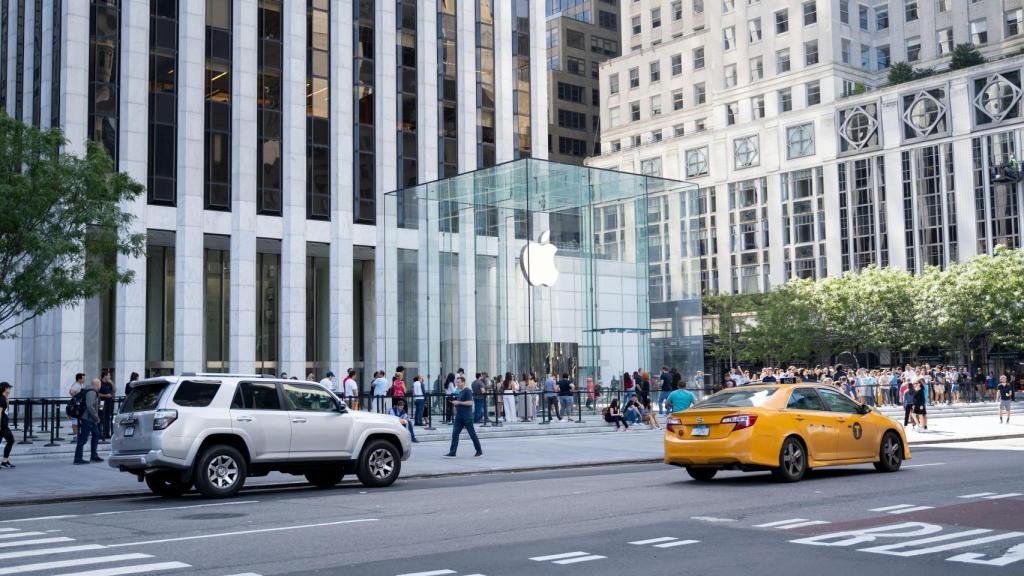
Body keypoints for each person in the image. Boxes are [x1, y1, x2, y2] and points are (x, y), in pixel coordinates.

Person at [444, 376, 482, 458]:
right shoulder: (460, 392)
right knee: (455, 434)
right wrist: (455, 404)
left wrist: (459, 402)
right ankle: (452, 452)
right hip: (459, 417)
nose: (456, 384)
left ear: (463, 382)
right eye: (456, 382)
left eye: (458, 382)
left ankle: (479, 450)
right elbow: (459, 402)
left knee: (472, 434)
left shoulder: (467, 391)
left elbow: (470, 403)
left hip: (467, 417)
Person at [74, 379, 104, 465]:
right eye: (100, 383)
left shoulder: (89, 390)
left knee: (96, 434)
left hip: (89, 419)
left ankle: (93, 456)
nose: (100, 385)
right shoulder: (91, 391)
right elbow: (90, 406)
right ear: (97, 384)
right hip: (88, 418)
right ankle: (78, 458)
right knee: (83, 438)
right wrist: (96, 417)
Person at [98, 370, 116, 441]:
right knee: (101, 416)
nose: (110, 377)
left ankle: (107, 433)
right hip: (102, 402)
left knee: (108, 417)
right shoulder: (99, 382)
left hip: (109, 402)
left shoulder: (109, 383)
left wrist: (112, 383)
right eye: (108, 375)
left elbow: (114, 390)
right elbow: (97, 393)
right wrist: (105, 395)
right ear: (105, 375)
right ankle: (99, 433)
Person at [68, 372, 85, 442]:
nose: (84, 380)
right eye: (83, 378)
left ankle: (77, 435)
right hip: (75, 406)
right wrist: (76, 398)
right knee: (75, 421)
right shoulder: (76, 385)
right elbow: (71, 392)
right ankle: (75, 436)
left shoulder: (80, 385)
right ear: (79, 379)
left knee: (77, 421)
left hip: (78, 406)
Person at [0, 382, 14, 469]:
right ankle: (4, 461)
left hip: (3, 424)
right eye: (9, 388)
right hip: (2, 425)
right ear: (5, 388)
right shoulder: (1, 398)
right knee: (11, 440)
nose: (10, 389)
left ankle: (5, 461)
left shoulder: (4, 398)